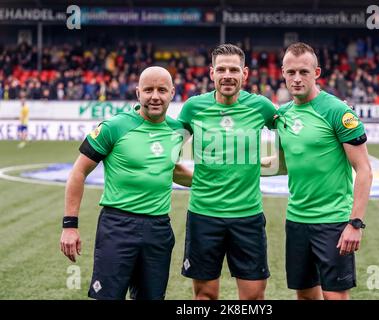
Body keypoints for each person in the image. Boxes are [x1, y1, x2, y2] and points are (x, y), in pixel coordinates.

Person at [60, 66, 192, 300]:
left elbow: (171, 170)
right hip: (117, 226)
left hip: (159, 229)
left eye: (162, 90)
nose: (155, 96)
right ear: (137, 93)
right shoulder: (114, 127)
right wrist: (70, 225)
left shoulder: (177, 131)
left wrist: (215, 180)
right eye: (148, 89)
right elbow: (78, 172)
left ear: (172, 93)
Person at [262, 42, 373, 300]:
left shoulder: (338, 112)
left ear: (317, 73)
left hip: (333, 222)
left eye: (304, 72)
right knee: (305, 296)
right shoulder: (282, 116)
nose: (297, 79)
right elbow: (284, 163)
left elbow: (364, 170)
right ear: (282, 73)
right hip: (297, 221)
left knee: (334, 297)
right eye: (291, 73)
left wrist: (355, 223)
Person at [178, 44, 277, 300]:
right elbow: (167, 157)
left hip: (248, 216)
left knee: (254, 297)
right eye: (221, 69)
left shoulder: (262, 107)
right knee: (205, 297)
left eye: (233, 69)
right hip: (203, 215)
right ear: (211, 73)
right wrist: (199, 183)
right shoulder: (192, 108)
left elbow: (297, 127)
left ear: (244, 73)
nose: (227, 75)